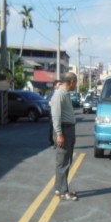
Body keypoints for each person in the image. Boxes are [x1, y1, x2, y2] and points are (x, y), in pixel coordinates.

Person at [51, 72, 78, 201]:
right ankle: (63, 191)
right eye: (76, 82)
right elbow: (56, 116)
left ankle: (59, 188)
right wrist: (59, 134)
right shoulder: (59, 95)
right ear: (72, 82)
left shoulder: (65, 94)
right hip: (64, 131)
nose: (76, 85)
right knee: (63, 162)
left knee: (64, 161)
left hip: (68, 130)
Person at [47, 81, 61, 148]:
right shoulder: (52, 94)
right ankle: (52, 142)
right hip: (53, 114)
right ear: (55, 86)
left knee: (58, 128)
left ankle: (57, 142)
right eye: (59, 84)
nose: (60, 86)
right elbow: (50, 103)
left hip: (60, 113)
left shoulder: (61, 94)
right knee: (52, 128)